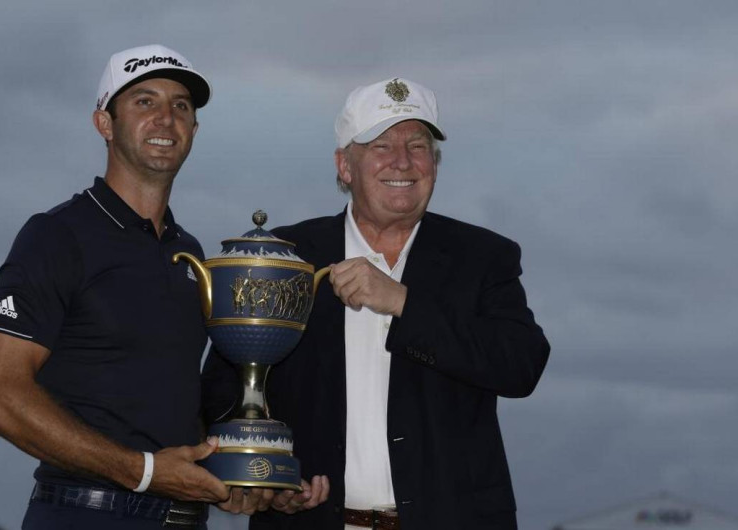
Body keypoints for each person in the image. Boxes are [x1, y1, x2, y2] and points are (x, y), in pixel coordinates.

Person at [0, 44, 325, 530]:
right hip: (84, 515)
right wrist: (144, 472)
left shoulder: (190, 253)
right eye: (144, 101)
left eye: (181, 106)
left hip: (183, 518)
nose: (165, 118)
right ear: (104, 123)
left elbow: (172, 406)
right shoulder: (57, 235)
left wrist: (243, 475)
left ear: (194, 131)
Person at [203, 77, 550, 529]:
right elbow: (222, 392)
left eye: (419, 145)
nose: (403, 160)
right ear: (345, 166)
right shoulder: (285, 256)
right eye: (381, 145)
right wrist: (268, 487)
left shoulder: (484, 256)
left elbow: (521, 366)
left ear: (435, 164)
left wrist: (402, 301)